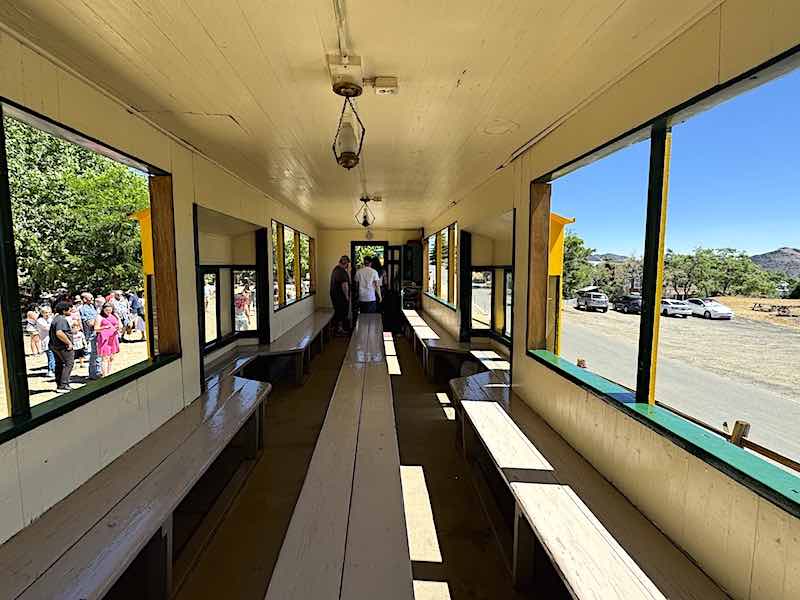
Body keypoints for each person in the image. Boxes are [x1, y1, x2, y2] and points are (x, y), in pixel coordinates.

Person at [49, 302, 75, 393]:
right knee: (69, 364)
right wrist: (69, 343)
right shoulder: (61, 320)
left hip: (55, 346)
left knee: (59, 364)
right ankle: (63, 385)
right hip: (62, 346)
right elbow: (59, 333)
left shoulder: (56, 318)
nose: (71, 310)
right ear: (64, 311)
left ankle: (59, 384)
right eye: (69, 308)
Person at [79, 292, 102, 380]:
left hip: (97, 332)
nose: (92, 300)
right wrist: (100, 322)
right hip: (92, 334)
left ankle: (97, 371)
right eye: (90, 298)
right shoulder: (83, 309)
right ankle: (94, 373)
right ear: (84, 299)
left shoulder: (92, 307)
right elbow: (90, 323)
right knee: (95, 354)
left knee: (98, 353)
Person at [96, 302, 122, 377]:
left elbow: (120, 326)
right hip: (104, 339)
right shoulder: (99, 317)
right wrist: (104, 328)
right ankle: (105, 375)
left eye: (110, 310)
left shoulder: (114, 315)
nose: (108, 312)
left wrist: (118, 321)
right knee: (105, 357)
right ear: (103, 309)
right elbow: (96, 329)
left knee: (111, 357)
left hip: (113, 338)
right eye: (107, 310)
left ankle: (109, 372)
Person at [329, 255, 351, 335]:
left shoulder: (335, 269)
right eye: (348, 263)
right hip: (340, 297)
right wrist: (347, 297)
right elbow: (344, 285)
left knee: (338, 312)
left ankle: (336, 329)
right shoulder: (342, 272)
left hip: (335, 295)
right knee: (341, 313)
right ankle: (339, 330)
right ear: (346, 263)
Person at [36, 306, 55, 378]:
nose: (48, 314)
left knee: (54, 356)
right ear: (42, 313)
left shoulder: (51, 319)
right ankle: (51, 370)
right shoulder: (40, 320)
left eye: (49, 313)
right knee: (51, 356)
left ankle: (53, 369)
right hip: (46, 341)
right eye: (46, 313)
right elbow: (48, 328)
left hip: (53, 340)